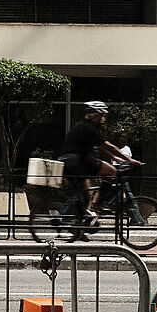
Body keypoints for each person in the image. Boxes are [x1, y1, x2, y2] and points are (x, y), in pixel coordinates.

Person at [62, 101, 124, 235]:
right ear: (95, 115)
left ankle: (77, 228)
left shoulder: (83, 126)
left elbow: (100, 146)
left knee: (85, 195)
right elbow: (107, 145)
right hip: (78, 161)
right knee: (112, 172)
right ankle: (98, 203)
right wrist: (128, 159)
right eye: (102, 116)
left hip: (73, 163)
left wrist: (116, 158)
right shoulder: (88, 127)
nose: (103, 119)